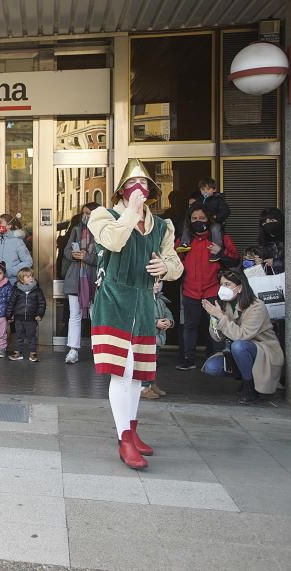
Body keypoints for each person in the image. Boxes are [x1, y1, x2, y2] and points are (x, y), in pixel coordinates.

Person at [88, 159, 183, 470]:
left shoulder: (162, 227)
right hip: (114, 301)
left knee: (138, 375)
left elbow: (175, 264)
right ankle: (123, 438)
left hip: (142, 302)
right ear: (121, 193)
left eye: (142, 188)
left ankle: (131, 429)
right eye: (131, 187)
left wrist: (165, 268)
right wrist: (131, 212)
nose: (137, 191)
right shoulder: (104, 216)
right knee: (123, 371)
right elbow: (114, 240)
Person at [202, 269, 284, 404]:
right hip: (237, 351)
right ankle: (246, 376)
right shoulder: (226, 304)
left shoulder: (256, 306)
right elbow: (218, 338)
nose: (223, 288)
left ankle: (249, 386)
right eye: (222, 284)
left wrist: (221, 317)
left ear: (239, 288)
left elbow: (242, 335)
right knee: (212, 367)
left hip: (263, 351)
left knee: (239, 346)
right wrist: (215, 318)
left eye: (227, 284)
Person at [176, 205, 240, 371]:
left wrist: (220, 252)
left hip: (213, 290)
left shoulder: (220, 237)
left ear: (209, 219)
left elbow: (235, 260)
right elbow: (174, 260)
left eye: (202, 218)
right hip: (190, 290)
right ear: (189, 221)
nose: (198, 222)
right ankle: (188, 359)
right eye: (194, 219)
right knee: (190, 326)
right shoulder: (184, 239)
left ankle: (217, 360)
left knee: (215, 326)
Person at [62, 202, 100, 364]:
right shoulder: (77, 230)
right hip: (75, 279)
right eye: (84, 213)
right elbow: (66, 251)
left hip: (94, 281)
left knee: (96, 316)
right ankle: (73, 350)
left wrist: (87, 257)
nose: (85, 216)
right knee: (74, 315)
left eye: (89, 213)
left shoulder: (102, 232)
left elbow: (104, 257)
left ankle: (98, 351)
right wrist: (74, 254)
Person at [178, 177, 230, 261]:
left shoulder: (218, 200)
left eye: (208, 189)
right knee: (187, 225)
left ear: (214, 189)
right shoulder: (200, 200)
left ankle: (215, 251)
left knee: (215, 229)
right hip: (202, 222)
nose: (205, 191)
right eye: (203, 189)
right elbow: (192, 209)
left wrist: (216, 216)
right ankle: (184, 244)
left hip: (213, 221)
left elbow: (226, 211)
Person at [141, 279, 173, 400]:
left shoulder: (160, 299)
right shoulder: (143, 299)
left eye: (159, 282)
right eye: (154, 281)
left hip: (158, 338)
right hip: (147, 337)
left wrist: (169, 321)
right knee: (145, 363)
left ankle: (150, 383)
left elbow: (167, 312)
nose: (157, 284)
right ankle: (143, 387)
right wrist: (155, 323)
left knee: (154, 363)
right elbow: (141, 317)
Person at [5, 266, 45, 362]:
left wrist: (39, 314)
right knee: (19, 336)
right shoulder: (17, 290)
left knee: (31, 336)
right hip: (19, 318)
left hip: (31, 319)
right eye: (27, 276)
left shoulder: (37, 290)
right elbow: (11, 303)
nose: (30, 278)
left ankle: (33, 353)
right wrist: (9, 315)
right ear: (21, 280)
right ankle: (18, 353)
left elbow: (42, 303)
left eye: (31, 276)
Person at [0, 213, 32, 286]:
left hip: (13, 283)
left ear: (9, 226)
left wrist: (10, 272)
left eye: (0, 222)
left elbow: (28, 261)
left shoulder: (17, 241)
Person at [257, 207, 285, 274]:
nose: (268, 224)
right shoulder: (262, 244)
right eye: (264, 222)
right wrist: (258, 263)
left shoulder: (290, 240)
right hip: (271, 282)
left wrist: (275, 263)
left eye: (272, 220)